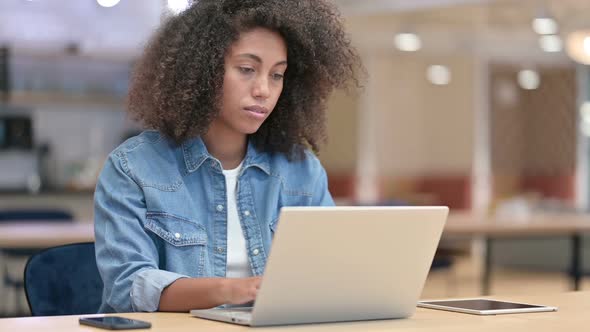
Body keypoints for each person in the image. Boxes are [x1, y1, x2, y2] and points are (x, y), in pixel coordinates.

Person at [94, 0, 362, 313]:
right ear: (201, 70)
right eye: (247, 69)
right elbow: (128, 288)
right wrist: (232, 290)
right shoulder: (132, 168)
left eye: (277, 75)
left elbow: (331, 273)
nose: (263, 89)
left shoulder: (302, 172)